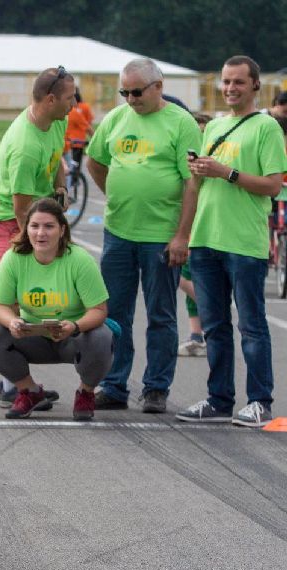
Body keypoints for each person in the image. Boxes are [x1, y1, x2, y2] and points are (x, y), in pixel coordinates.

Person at [84, 58, 201, 414]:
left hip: (161, 236)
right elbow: (95, 160)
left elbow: (192, 182)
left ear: (158, 87)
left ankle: (155, 387)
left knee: (161, 314)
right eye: (125, 92)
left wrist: (182, 236)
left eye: (137, 92)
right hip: (119, 232)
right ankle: (114, 383)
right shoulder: (117, 119)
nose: (131, 98)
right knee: (114, 313)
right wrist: (116, 195)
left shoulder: (181, 123)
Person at [175, 56, 287, 427]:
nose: (230, 88)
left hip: (243, 242)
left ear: (256, 85)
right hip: (206, 239)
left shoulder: (266, 127)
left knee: (252, 325)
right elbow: (196, 185)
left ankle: (260, 401)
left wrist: (227, 172)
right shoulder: (213, 127)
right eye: (226, 82)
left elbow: (273, 184)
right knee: (215, 326)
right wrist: (184, 233)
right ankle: (219, 399)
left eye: (239, 82)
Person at [0, 66, 75, 406]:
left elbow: (58, 156)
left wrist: (61, 185)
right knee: (13, 294)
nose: (74, 104)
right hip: (8, 217)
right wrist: (33, 249)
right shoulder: (25, 145)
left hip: (36, 211)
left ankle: (19, 382)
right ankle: (14, 386)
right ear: (50, 99)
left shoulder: (56, 119)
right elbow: (22, 209)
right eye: (69, 98)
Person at [0, 198, 112, 420]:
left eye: (49, 226)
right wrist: (13, 321)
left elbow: (99, 310)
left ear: (62, 230)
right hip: (34, 337)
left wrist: (75, 326)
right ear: (26, 228)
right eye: (35, 226)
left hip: (72, 336)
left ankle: (85, 393)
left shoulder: (79, 260)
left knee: (102, 337)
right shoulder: (14, 258)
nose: (41, 233)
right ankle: (30, 392)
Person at [177, 112, 213, 358]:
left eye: (203, 132)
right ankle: (197, 334)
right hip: (187, 223)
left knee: (184, 276)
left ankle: (209, 323)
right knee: (186, 274)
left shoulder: (212, 162)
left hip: (207, 226)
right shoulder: (186, 160)